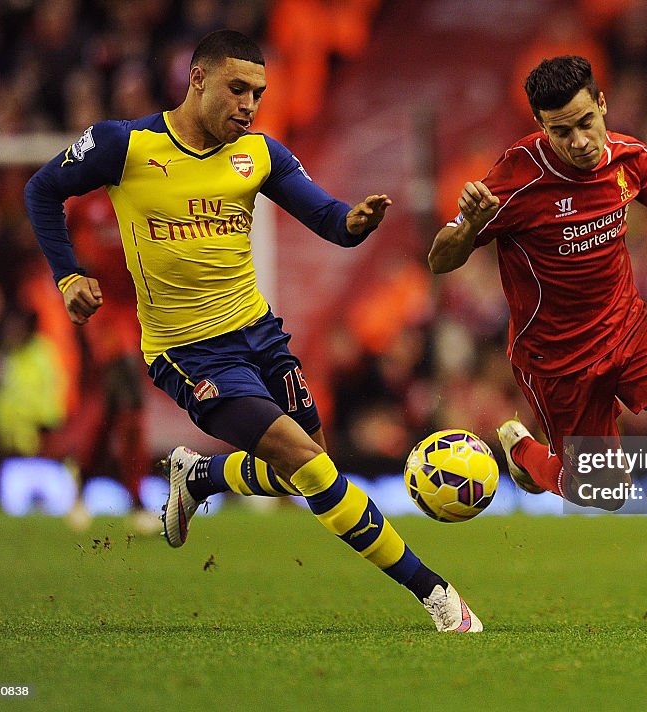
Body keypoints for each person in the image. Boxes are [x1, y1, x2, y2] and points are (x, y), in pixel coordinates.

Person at [24, 29, 481, 633]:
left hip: (259, 334)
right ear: (197, 79)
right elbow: (41, 189)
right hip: (188, 351)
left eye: (258, 93)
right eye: (237, 89)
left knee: (310, 458)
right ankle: (436, 593)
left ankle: (201, 474)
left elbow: (328, 220)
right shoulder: (123, 145)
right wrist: (66, 276)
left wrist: (355, 220)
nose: (248, 104)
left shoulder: (259, 154)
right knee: (311, 467)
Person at [429, 55, 647, 631]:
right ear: (541, 126)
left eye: (586, 122)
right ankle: (522, 451)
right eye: (560, 131)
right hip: (557, 359)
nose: (580, 141)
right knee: (606, 491)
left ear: (603, 104)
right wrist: (466, 225)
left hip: (630, 326)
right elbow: (441, 261)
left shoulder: (630, 158)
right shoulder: (515, 177)